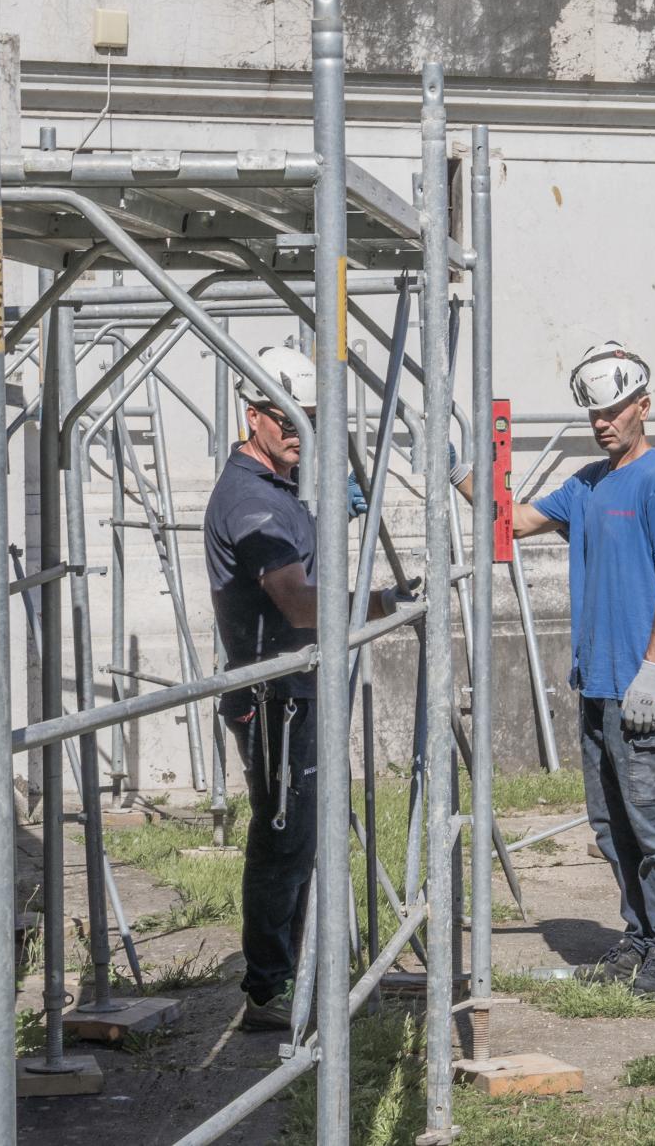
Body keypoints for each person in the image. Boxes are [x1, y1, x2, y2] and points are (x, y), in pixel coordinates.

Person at [455, 341, 655, 997]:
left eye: (615, 410)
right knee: (612, 828)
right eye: (594, 413)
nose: (603, 422)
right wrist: (458, 470)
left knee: (654, 827)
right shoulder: (585, 486)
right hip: (596, 689)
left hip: (647, 691)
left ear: (643, 407)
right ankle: (639, 938)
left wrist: (652, 671)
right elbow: (515, 522)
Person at [203, 344, 408, 1031]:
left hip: (297, 688)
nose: (300, 433)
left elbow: (304, 556)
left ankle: (293, 969)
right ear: (253, 414)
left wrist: (330, 515)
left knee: (303, 835)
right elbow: (296, 601)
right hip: (275, 698)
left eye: (312, 421)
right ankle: (269, 987)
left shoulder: (282, 493)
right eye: (289, 420)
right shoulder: (250, 501)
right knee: (283, 838)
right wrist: (383, 602)